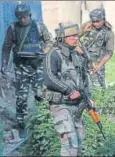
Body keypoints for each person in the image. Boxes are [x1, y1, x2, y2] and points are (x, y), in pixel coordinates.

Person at [1, 4, 53, 138]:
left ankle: (43, 123)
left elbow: (49, 42)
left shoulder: (39, 26)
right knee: (21, 97)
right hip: (21, 67)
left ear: (29, 15)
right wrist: (4, 64)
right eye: (20, 18)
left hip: (37, 66)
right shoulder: (13, 28)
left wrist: (43, 52)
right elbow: (6, 47)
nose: (22, 20)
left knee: (40, 94)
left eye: (24, 17)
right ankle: (22, 124)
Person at [43, 22, 92, 156]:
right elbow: (49, 78)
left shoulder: (76, 54)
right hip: (60, 105)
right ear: (62, 38)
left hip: (77, 107)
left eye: (77, 35)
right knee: (70, 143)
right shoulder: (53, 54)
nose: (76, 38)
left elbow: (83, 79)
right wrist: (69, 91)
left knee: (79, 142)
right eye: (72, 36)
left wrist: (88, 98)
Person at [79, 8, 115, 88]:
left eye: (98, 21)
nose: (95, 24)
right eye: (93, 21)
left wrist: (99, 65)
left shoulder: (108, 33)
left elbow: (109, 52)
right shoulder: (87, 26)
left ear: (103, 19)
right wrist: (78, 49)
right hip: (83, 60)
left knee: (97, 87)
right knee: (81, 85)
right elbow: (75, 37)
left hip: (96, 63)